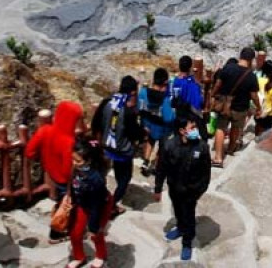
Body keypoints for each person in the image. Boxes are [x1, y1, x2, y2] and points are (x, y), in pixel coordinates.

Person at [153, 112, 211, 262]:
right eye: (192, 127)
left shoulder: (202, 147)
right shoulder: (169, 146)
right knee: (178, 210)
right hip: (174, 187)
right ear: (182, 131)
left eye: (195, 126)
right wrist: (158, 188)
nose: (195, 129)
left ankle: (187, 242)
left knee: (189, 215)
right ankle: (179, 227)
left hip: (191, 191)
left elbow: (206, 173)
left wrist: (199, 190)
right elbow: (161, 168)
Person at [26, 100, 84, 241]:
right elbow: (67, 171)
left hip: (51, 172)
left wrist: (44, 156)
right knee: (68, 205)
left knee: (61, 200)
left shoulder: (45, 130)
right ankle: (58, 232)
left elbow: (29, 152)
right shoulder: (69, 142)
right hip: (66, 180)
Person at [90, 76, 144, 217]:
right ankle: (112, 205)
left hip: (107, 146)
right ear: (132, 92)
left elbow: (96, 122)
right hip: (123, 150)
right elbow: (134, 133)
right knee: (124, 178)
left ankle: (105, 199)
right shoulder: (128, 111)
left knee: (109, 173)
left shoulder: (107, 102)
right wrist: (143, 133)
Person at [209, 47, 261, 167]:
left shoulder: (228, 68)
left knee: (221, 128)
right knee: (235, 129)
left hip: (225, 105)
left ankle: (218, 158)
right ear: (251, 59)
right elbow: (254, 96)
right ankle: (231, 149)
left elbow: (218, 84)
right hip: (241, 108)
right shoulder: (252, 76)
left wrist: (212, 95)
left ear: (240, 56)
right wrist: (258, 107)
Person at [67, 137, 112, 268]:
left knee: (96, 234)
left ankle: (100, 255)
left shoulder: (95, 180)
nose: (74, 163)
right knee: (75, 233)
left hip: (100, 205)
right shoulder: (77, 168)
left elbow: (96, 207)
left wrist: (93, 226)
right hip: (83, 202)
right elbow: (72, 181)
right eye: (73, 159)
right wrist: (69, 196)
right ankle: (79, 257)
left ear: (89, 161)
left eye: (78, 161)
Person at [138, 68, 176, 176]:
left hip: (148, 125)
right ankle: (156, 166)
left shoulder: (143, 92)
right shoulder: (164, 99)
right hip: (162, 129)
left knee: (150, 140)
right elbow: (168, 118)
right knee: (162, 146)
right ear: (164, 83)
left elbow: (139, 108)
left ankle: (145, 162)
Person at [256, 67, 272, 136]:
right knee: (264, 130)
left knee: (258, 124)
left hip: (258, 108)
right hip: (267, 113)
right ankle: (258, 141)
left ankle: (256, 136)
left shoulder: (260, 80)